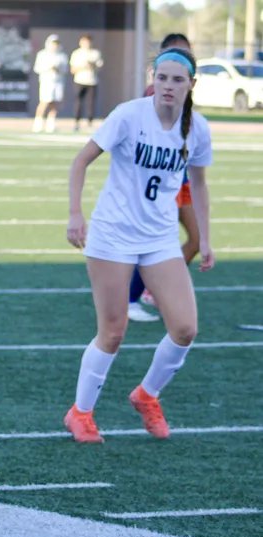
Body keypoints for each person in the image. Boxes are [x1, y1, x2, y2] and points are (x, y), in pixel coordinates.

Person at [64, 47, 213, 444]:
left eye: (177, 79)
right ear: (153, 79)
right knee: (113, 331)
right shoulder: (129, 115)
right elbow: (81, 161)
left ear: (191, 85)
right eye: (162, 78)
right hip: (113, 234)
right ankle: (80, 413)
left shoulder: (197, 128)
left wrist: (206, 239)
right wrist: (75, 214)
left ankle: (147, 394)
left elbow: (197, 183)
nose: (167, 86)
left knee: (185, 327)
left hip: (159, 237)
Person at [129, 33, 200, 323]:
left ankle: (149, 290)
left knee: (196, 239)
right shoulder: (153, 94)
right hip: (161, 186)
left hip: (180, 182)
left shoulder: (187, 97)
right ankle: (132, 297)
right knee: (152, 242)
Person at [33, 34, 68, 133]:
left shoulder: (62, 56)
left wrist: (58, 69)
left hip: (58, 82)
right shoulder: (42, 54)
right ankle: (38, 123)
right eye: (53, 43)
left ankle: (51, 123)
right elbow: (37, 68)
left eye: (56, 44)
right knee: (44, 102)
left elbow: (65, 70)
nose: (54, 46)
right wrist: (48, 68)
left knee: (55, 104)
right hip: (46, 81)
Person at [70, 34, 103, 132]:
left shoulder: (95, 53)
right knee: (78, 102)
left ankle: (90, 121)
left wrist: (92, 65)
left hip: (92, 81)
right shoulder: (76, 53)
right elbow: (72, 69)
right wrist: (83, 66)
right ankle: (76, 121)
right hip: (79, 81)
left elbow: (99, 67)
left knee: (91, 103)